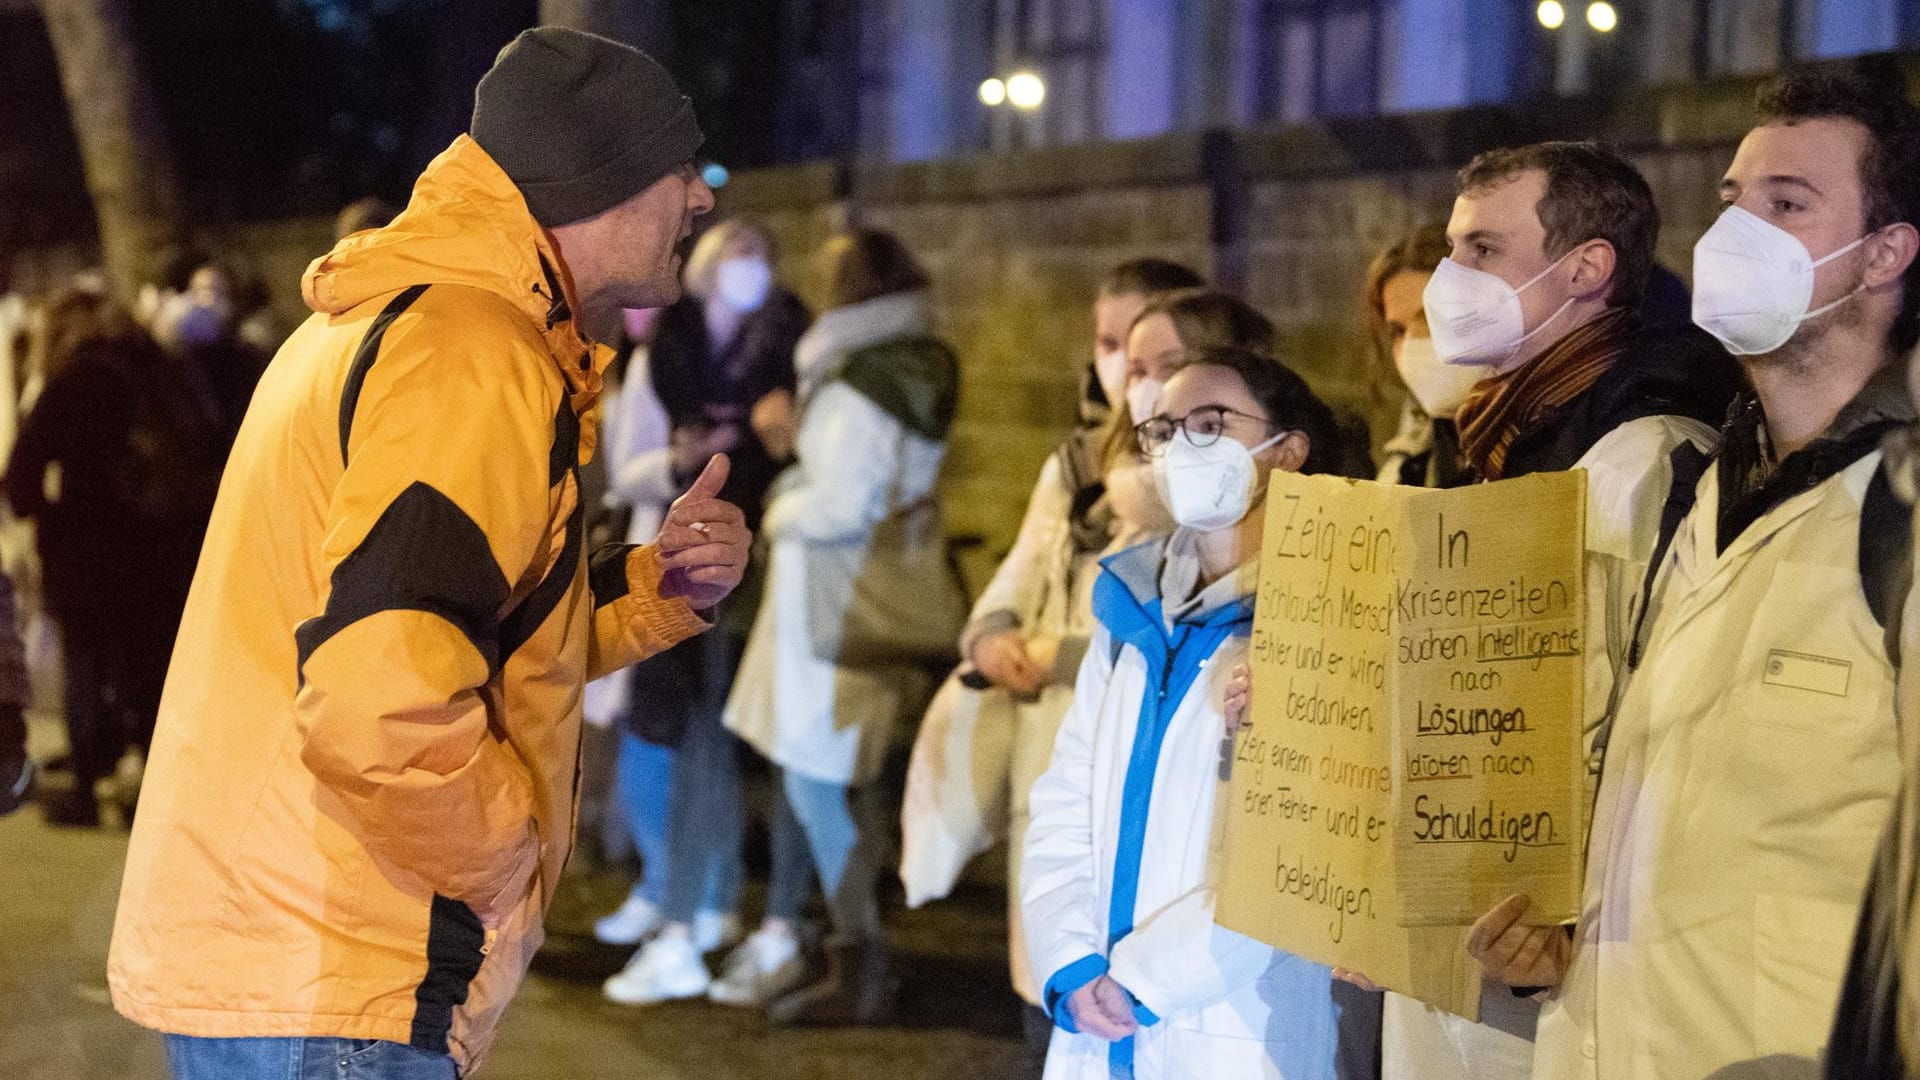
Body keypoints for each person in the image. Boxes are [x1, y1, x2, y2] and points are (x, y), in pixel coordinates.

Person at [107, 28, 751, 1080]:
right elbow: (383, 703)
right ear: (602, 178)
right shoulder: (469, 352)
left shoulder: (403, 321)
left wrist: (653, 592)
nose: (701, 197)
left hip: (294, 949)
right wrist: (503, 871)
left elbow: (447, 639)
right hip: (345, 960)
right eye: (679, 166)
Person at [1227, 140, 1741, 1080]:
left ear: (1585, 268)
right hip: (1461, 951)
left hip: (1540, 968)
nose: (1447, 282)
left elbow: (1617, 726)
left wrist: (1553, 913)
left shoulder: (1641, 458)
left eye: (1481, 252)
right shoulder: (1514, 438)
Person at [1470, 71, 1920, 1080]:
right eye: (1731, 202)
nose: (1735, 235)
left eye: (1786, 205)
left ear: (1887, 252)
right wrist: (1560, 934)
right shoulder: (1698, 486)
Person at [1024, 345, 1377, 1079]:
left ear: (1287, 453)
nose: (1184, 446)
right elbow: (1064, 796)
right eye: (1165, 429)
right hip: (1097, 1017)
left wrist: (1147, 981)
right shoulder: (1133, 608)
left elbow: (1302, 855)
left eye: (1212, 423)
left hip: (1235, 1024)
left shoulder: (1333, 616)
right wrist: (1072, 959)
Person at [912, 257, 1201, 1067]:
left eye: (1157, 362)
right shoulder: (1076, 465)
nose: (1128, 375)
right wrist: (990, 633)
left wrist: (1060, 653)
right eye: (1114, 348)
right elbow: (1022, 569)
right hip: (1052, 746)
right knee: (1051, 974)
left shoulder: (1200, 484)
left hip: (1118, 735)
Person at [724, 228, 959, 1026]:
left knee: (818, 778)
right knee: (833, 777)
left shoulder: (860, 382)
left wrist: (777, 504)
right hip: (843, 598)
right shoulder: (899, 366)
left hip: (833, 603)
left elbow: (839, 502)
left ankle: (856, 959)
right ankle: (850, 951)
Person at [599, 217, 813, 1005]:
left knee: (719, 738)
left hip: (754, 562)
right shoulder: (669, 356)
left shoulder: (788, 347)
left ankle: (705, 909)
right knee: (670, 732)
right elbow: (626, 471)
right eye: (739, 259)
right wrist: (681, 462)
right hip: (671, 558)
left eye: (763, 258)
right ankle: (672, 897)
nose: (751, 273)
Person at [5, 288, 221, 827]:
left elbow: (20, 477)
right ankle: (156, 780)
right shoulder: (164, 372)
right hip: (160, 544)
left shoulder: (71, 381)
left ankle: (86, 788)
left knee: (84, 661)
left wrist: (50, 503)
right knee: (149, 667)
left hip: (83, 549)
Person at [1368, 224, 1475, 488]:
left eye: (1430, 318)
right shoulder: (1408, 469)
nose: (1413, 342)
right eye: (1398, 330)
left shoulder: (1552, 447)